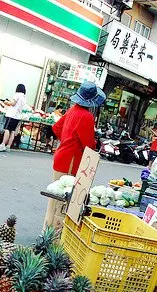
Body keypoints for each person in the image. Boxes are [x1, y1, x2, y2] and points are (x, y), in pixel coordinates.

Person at [43, 81, 106, 229]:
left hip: (61, 156)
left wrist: (67, 140)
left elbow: (56, 128)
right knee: (63, 202)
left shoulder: (72, 110)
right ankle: (54, 238)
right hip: (71, 161)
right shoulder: (87, 116)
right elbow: (88, 145)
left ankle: (45, 231)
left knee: (54, 199)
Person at [0, 84, 26, 152]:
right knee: (13, 131)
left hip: (12, 114)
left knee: (7, 129)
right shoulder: (24, 97)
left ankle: (3, 144)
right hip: (18, 116)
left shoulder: (17, 94)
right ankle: (8, 146)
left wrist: (6, 102)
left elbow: (13, 103)